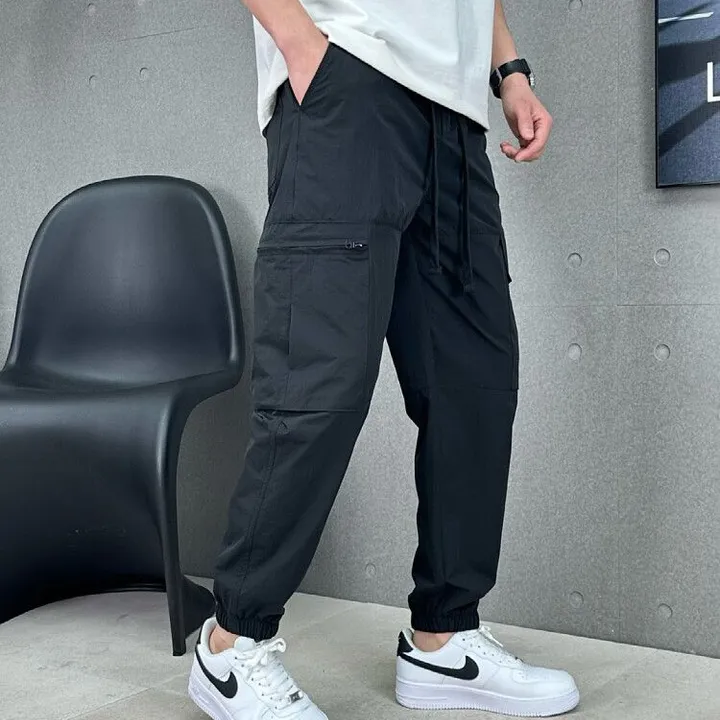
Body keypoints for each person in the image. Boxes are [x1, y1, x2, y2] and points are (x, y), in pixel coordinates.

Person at [188, 0, 580, 717]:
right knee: (317, 387)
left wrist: (510, 71)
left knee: (474, 385)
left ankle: (444, 639)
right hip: (350, 85)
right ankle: (230, 645)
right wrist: (303, 48)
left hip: (455, 116)